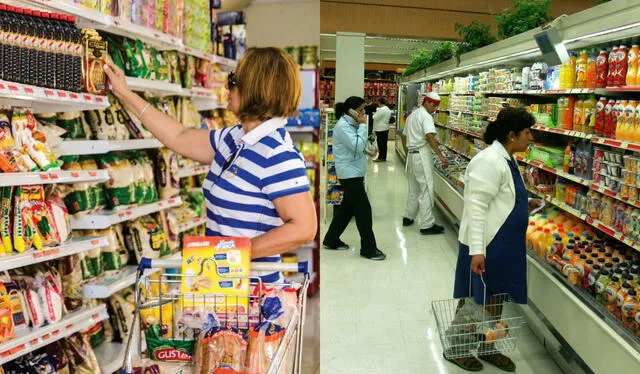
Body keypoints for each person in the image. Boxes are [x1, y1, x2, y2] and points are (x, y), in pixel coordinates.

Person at [103, 47, 317, 282]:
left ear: (257, 88)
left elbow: (304, 228)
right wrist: (124, 93)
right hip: (218, 285)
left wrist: (231, 255)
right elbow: (178, 136)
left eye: (233, 80)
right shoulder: (234, 139)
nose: (227, 87)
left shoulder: (276, 154)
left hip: (251, 294)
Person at [448, 107, 540, 372]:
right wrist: (477, 252)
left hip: (504, 245)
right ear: (511, 135)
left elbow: (502, 197)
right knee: (475, 298)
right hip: (486, 244)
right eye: (527, 132)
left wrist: (524, 203)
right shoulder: (489, 160)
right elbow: (475, 208)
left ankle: (488, 345)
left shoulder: (508, 158)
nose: (530, 138)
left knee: (495, 297)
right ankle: (457, 346)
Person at [322, 96, 386, 261]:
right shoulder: (343, 126)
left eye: (363, 110)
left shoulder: (351, 124)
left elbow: (356, 145)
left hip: (354, 171)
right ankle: (368, 248)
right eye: (360, 110)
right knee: (364, 210)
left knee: (346, 209)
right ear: (351, 111)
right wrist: (364, 126)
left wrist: (368, 150)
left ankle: (331, 239)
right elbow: (356, 146)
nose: (363, 113)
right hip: (350, 174)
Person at [401, 92, 449, 235]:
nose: (434, 109)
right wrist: (440, 156)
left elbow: (404, 136)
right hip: (421, 154)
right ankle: (427, 225)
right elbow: (429, 136)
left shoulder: (412, 115)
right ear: (427, 102)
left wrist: (406, 152)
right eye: (433, 106)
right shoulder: (426, 116)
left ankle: (408, 217)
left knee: (414, 188)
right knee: (426, 188)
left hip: (412, 154)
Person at [372, 97, 392, 162]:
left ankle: (381, 157)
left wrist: (374, 115)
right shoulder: (388, 109)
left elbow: (375, 117)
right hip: (385, 128)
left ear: (380, 102)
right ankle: (383, 157)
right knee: (384, 144)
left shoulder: (381, 109)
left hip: (380, 128)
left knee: (380, 144)